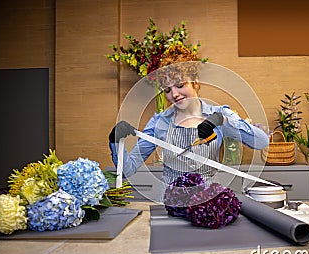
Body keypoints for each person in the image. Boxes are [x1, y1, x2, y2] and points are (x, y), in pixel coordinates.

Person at [109, 45, 269, 195]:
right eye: (167, 90)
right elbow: (127, 171)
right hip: (171, 204)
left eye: (180, 85)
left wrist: (222, 120)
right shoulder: (160, 122)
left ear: (195, 82)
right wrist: (116, 141)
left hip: (209, 203)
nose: (174, 94)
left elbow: (261, 142)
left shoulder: (219, 114)